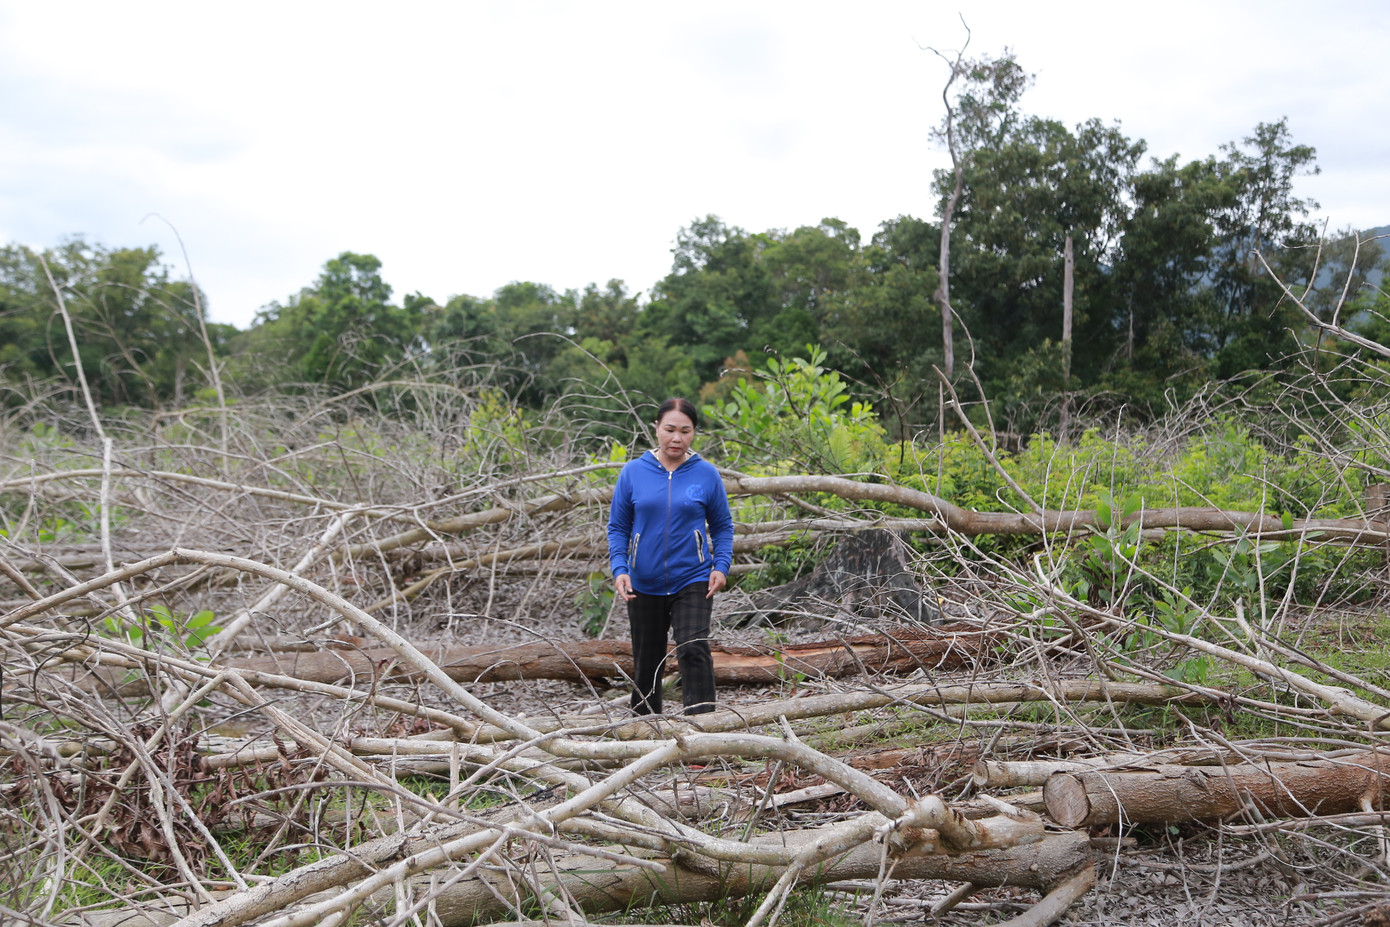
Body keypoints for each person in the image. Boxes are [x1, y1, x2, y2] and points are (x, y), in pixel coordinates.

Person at [607, 397, 733, 715]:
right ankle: (646, 730)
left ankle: (703, 733)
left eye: (685, 431)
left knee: (693, 648)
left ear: (694, 434)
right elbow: (618, 527)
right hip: (643, 580)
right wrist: (620, 568)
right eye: (670, 429)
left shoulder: (706, 475)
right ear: (656, 429)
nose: (677, 438)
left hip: (693, 577)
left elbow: (722, 526)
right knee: (647, 658)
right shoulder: (633, 472)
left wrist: (721, 564)